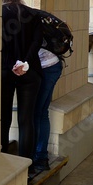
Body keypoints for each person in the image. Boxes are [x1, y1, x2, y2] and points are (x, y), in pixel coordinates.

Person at [1, 0, 43, 179]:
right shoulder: (33, 14)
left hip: (5, 72)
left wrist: (11, 64)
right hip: (31, 71)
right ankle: (28, 166)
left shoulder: (0, 13)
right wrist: (24, 63)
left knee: (3, 117)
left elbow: (1, 43)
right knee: (27, 120)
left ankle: (1, 161)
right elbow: (37, 42)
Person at [31, 41, 62, 173]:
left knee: (37, 113)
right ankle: (41, 157)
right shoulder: (39, 19)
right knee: (42, 112)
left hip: (45, 68)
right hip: (54, 64)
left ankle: (40, 157)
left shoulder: (25, 21)